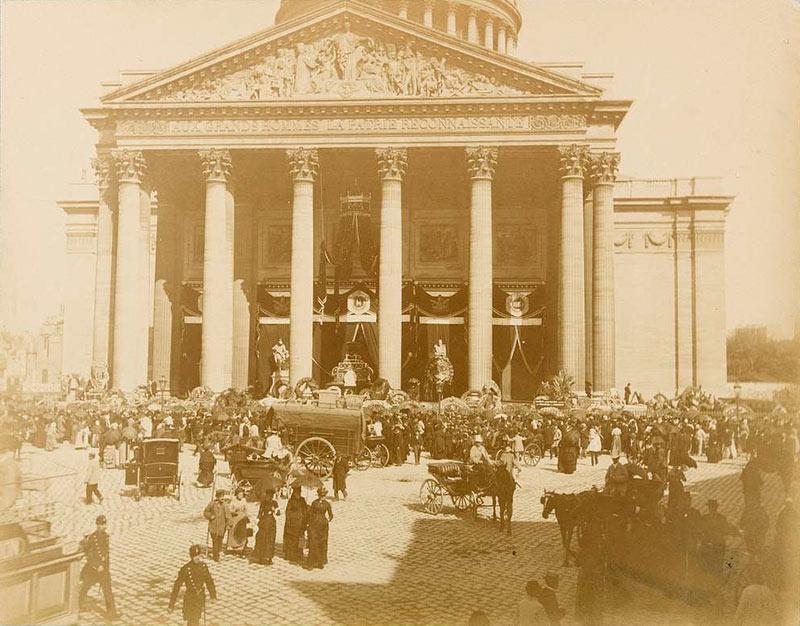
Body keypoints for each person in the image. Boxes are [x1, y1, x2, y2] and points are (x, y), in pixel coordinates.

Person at [79, 515, 121, 620]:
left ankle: (111, 613)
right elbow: (89, 555)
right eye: (102, 525)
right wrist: (97, 565)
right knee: (85, 587)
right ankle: (79, 604)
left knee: (108, 591)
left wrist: (104, 567)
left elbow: (105, 554)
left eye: (105, 524)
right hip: (93, 569)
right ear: (97, 525)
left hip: (104, 570)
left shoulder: (106, 536)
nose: (104, 527)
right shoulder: (92, 538)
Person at [169, 544, 217, 626]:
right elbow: (176, 587)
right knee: (192, 621)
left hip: (200, 598)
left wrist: (213, 595)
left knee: (196, 619)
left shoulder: (203, 566)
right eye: (195, 556)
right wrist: (171, 605)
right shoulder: (186, 569)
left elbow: (209, 582)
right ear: (191, 556)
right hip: (190, 599)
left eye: (198, 555)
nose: (197, 558)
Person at [306, 486, 334, 569]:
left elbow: (331, 515)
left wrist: (328, 519)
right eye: (320, 495)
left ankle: (320, 562)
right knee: (313, 542)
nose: (322, 497)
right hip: (314, 524)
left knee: (322, 542)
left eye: (323, 495)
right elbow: (310, 513)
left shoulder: (327, 504)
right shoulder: (314, 503)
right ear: (318, 495)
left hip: (323, 526)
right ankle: (312, 561)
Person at [251, 491, 279, 565]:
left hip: (271, 524)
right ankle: (260, 556)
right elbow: (260, 512)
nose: (268, 497)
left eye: (269, 496)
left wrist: (275, 510)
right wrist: (257, 519)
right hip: (263, 522)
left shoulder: (274, 503)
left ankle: (268, 557)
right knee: (262, 539)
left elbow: (278, 513)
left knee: (270, 540)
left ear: (272, 496)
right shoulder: (263, 503)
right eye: (267, 496)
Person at [203, 491, 232, 562]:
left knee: (220, 540)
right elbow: (205, 512)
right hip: (213, 526)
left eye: (223, 496)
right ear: (217, 497)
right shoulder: (212, 504)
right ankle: (216, 556)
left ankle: (218, 551)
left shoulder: (225, 505)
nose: (222, 498)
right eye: (221, 496)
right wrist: (210, 516)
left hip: (222, 527)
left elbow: (228, 516)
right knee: (215, 540)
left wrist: (228, 524)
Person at [283, 485, 308, 564]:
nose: (298, 494)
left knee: (300, 539)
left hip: (300, 522)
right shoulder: (291, 501)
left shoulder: (302, 500)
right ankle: (291, 555)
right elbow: (287, 512)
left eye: (299, 492)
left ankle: (299, 555)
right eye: (297, 492)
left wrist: (305, 515)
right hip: (292, 523)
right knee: (292, 539)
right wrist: (289, 520)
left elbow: (305, 510)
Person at [226, 488, 250, 556]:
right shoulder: (233, 501)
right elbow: (229, 510)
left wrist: (246, 516)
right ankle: (232, 547)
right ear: (236, 494)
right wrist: (234, 511)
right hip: (235, 518)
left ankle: (240, 547)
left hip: (242, 519)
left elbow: (246, 510)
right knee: (233, 531)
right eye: (239, 494)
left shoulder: (244, 500)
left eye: (242, 494)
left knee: (241, 533)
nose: (241, 496)